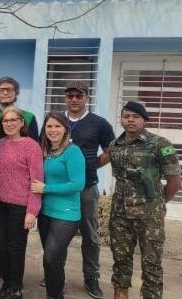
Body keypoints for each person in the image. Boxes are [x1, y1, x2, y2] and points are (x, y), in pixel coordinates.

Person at [108, 101, 182, 299]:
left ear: (144, 119)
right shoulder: (115, 145)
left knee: (151, 263)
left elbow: (174, 181)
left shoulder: (160, 144)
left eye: (135, 116)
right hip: (120, 214)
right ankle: (121, 295)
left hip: (150, 216)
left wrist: (158, 204)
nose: (130, 120)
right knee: (120, 259)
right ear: (122, 119)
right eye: (126, 116)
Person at [0, 76, 39, 283]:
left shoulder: (29, 118)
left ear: (16, 93)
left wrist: (32, 207)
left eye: (9, 90)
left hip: (19, 192)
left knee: (13, 242)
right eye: (1, 90)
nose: (5, 93)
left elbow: (35, 157)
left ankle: (13, 283)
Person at [63, 80, 115, 299]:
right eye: (70, 95)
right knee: (57, 234)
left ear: (87, 98)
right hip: (59, 188)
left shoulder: (99, 123)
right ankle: (53, 272)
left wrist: (92, 165)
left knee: (90, 235)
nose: (74, 100)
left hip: (86, 187)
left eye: (79, 96)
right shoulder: (56, 120)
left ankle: (91, 277)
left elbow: (111, 150)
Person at [30, 112, 85, 299]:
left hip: (67, 214)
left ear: (65, 129)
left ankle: (54, 295)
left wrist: (46, 188)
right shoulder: (46, 152)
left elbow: (78, 184)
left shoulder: (72, 151)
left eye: (57, 126)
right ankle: (56, 293)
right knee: (56, 259)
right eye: (49, 126)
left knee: (50, 258)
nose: (53, 130)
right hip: (45, 212)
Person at [0, 107, 43, 299]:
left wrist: (32, 211)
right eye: (5, 121)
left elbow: (37, 181)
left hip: (19, 206)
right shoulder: (1, 143)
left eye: (14, 120)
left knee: (15, 248)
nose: (9, 124)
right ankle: (6, 283)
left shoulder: (31, 146)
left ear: (22, 123)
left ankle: (14, 288)